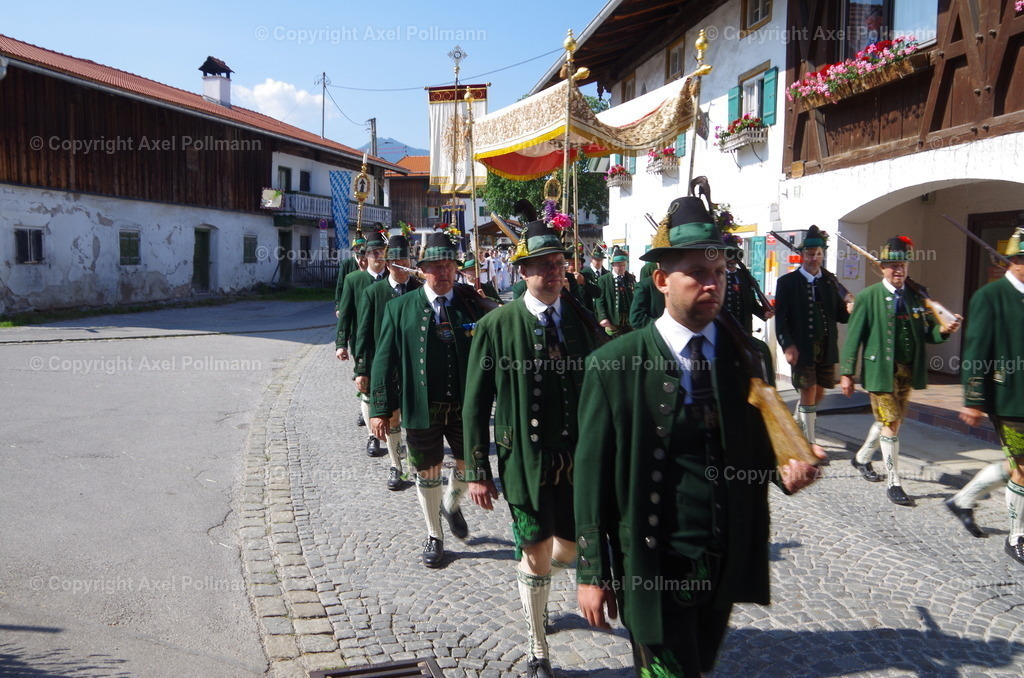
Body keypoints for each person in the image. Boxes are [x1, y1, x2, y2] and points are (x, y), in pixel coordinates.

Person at [574, 193, 823, 678]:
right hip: (653, 563)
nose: (713, 284)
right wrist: (592, 572)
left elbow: (759, 443)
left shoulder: (747, 355)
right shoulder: (613, 365)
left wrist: (787, 468)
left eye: (720, 273)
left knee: (701, 667)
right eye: (697, 273)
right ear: (661, 280)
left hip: (723, 559)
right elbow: (590, 478)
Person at [464, 219, 604, 678]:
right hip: (524, 461)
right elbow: (475, 402)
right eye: (542, 265)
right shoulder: (495, 325)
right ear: (522, 271)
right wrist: (477, 470)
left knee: (569, 548)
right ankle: (537, 645)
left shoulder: (581, 321)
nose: (553, 271)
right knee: (536, 549)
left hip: (577, 461)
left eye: (559, 263)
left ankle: (536, 587)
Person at [369, 231, 492, 567]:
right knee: (427, 471)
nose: (443, 272)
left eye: (449, 265)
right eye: (436, 266)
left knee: (468, 467)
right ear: (422, 270)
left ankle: (450, 504)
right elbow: (384, 360)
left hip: (464, 407)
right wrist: (380, 408)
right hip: (421, 406)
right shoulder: (399, 308)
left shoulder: (471, 303)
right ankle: (434, 534)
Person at [840, 235, 961, 506]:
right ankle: (894, 482)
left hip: (907, 370)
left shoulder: (916, 296)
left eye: (903, 265)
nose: (899, 270)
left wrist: (944, 329)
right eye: (894, 266)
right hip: (879, 370)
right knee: (891, 423)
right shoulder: (868, 297)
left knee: (891, 422)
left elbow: (929, 333)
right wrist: (847, 373)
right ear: (882, 267)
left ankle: (861, 458)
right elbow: (854, 336)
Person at [946, 228, 1024, 564]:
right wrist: (973, 399)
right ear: (1014, 261)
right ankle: (1017, 536)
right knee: (1022, 466)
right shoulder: (990, 296)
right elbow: (976, 348)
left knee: (1017, 464)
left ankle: (963, 500)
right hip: (1008, 398)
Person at [354, 234, 421, 490]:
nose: (402, 267)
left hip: (416, 368)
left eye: (405, 261)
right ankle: (396, 466)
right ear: (387, 263)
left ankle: (415, 464)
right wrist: (362, 370)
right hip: (386, 368)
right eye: (396, 262)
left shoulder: (420, 289)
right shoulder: (373, 293)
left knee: (416, 420)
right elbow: (363, 334)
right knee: (391, 419)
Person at [775, 225, 851, 445]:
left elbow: (839, 316)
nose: (814, 258)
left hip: (827, 347)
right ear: (802, 255)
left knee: (819, 391)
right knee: (807, 391)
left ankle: (796, 425)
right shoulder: (787, 283)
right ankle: (809, 443)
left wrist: (849, 310)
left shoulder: (829, 282)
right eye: (810, 254)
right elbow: (781, 320)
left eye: (818, 254)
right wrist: (787, 345)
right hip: (802, 347)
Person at [336, 227, 389, 447]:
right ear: (366, 256)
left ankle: (394, 435)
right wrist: (341, 344)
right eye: (374, 253)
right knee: (367, 387)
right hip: (363, 342)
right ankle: (372, 436)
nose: (379, 256)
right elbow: (345, 314)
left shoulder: (395, 279)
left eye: (382, 252)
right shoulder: (354, 280)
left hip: (390, 343)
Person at [723, 234, 774, 335]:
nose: (732, 260)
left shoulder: (744, 276)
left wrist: (764, 313)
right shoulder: (716, 276)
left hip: (743, 331)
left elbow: (751, 304)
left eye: (735, 255)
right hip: (722, 331)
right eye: (728, 255)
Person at [594, 246, 636, 337]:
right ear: (613, 265)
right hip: (613, 319)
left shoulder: (630, 278)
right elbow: (600, 301)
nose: (622, 268)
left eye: (624, 265)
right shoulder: (604, 280)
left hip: (629, 319)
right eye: (619, 265)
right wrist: (603, 317)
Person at [580, 244, 609, 312]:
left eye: (600, 260)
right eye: (596, 259)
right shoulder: (584, 273)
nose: (598, 262)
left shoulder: (607, 274)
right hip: (589, 308)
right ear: (591, 259)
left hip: (604, 310)